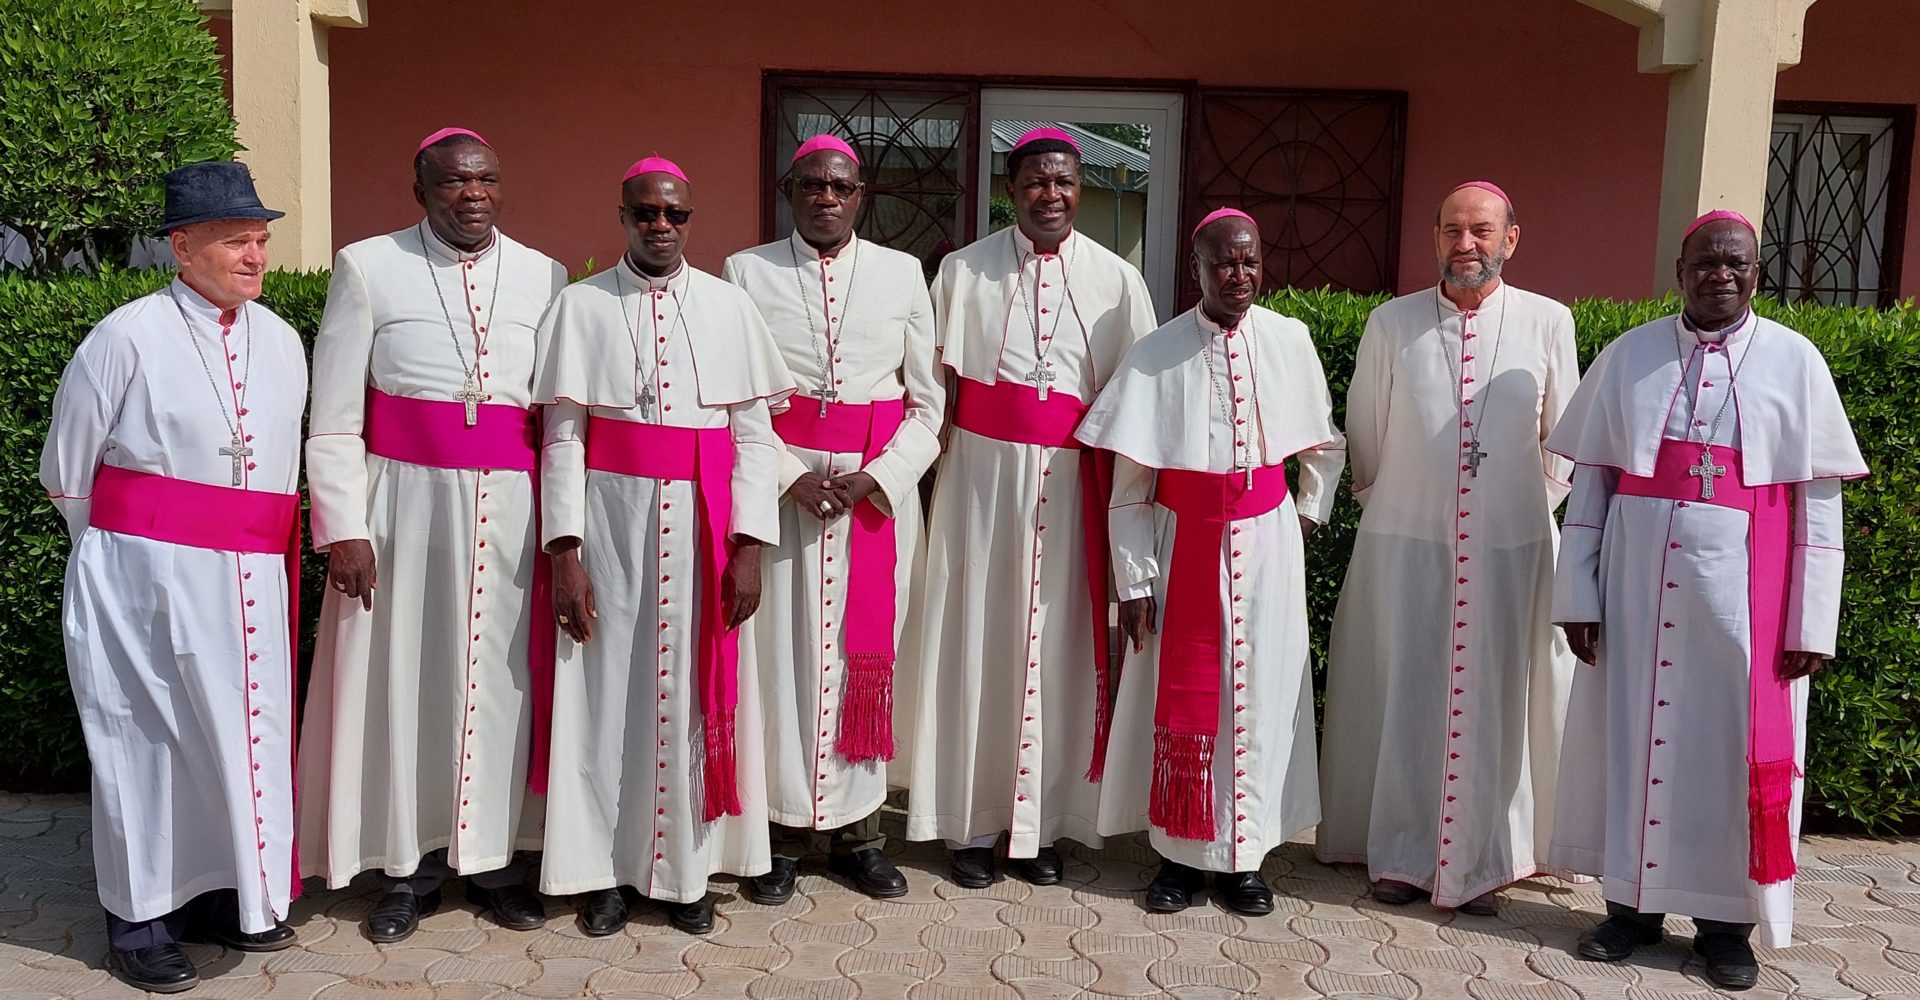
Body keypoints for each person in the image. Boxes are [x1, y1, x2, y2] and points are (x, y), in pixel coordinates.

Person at [1548, 210, 1867, 990]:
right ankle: (1630, 910)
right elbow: (1591, 487)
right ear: (1680, 270)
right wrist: (1577, 595)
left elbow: (1819, 511)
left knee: (1726, 756)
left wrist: (1809, 622)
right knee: (1632, 740)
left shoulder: (1796, 362)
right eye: (1705, 264)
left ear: (1757, 272)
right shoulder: (1629, 357)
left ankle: (1726, 928)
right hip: (1633, 590)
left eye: (1737, 264)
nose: (1721, 275)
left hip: (1743, 607)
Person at [40, 161, 307, 993]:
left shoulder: (283, 339)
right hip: (144, 581)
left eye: (261, 240)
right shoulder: (127, 335)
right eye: (237, 241)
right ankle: (140, 922)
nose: (255, 256)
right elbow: (67, 470)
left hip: (249, 580)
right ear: (181, 246)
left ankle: (226, 898)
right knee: (147, 745)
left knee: (237, 737)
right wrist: (134, 551)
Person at [297, 127, 567, 941]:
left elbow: (555, 416)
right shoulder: (367, 265)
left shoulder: (543, 273)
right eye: (453, 183)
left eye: (486, 180)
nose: (472, 195)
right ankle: (406, 867)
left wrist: (563, 531)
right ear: (421, 191)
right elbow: (335, 415)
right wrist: (343, 526)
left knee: (502, 682)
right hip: (402, 507)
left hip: (513, 510)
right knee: (405, 681)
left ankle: (495, 861)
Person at [533, 156, 794, 936]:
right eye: (645, 212)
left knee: (692, 700)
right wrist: (564, 551)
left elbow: (754, 439)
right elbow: (562, 437)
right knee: (607, 695)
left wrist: (749, 545)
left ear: (691, 219)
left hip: (706, 525)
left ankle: (688, 873)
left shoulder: (728, 307)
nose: (660, 226)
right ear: (622, 217)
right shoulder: (580, 308)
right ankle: (604, 875)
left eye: (674, 214)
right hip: (612, 524)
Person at [900, 126, 1157, 888]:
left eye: (1066, 183)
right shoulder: (960, 270)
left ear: (1081, 190)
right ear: (1011, 191)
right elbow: (931, 391)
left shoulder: (1118, 281)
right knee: (975, 638)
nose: (1052, 195)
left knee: (1057, 650)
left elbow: (1135, 400)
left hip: (1074, 482)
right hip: (980, 480)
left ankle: (1040, 827)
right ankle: (969, 824)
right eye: (1037, 183)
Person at [1316, 181, 1582, 915]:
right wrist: (1412, 507)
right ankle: (1402, 852)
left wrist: (1511, 515)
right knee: (1406, 691)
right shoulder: (1392, 322)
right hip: (1408, 544)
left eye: (1483, 230)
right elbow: (1364, 436)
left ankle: (1491, 854)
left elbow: (1564, 442)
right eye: (1453, 230)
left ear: (1511, 238)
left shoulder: (1548, 322)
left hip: (1512, 549)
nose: (1467, 244)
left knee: (1502, 697)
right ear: (1435, 236)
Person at [1080, 209, 1343, 915]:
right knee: (1182, 702)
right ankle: (1176, 855)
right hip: (1181, 541)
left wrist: (1304, 519)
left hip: (1266, 545)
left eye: (1251, 262)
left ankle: (1245, 859)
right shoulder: (1156, 354)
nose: (1239, 275)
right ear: (1195, 269)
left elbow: (1323, 446)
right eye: (1224, 263)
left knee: (1258, 696)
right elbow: (1130, 486)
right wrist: (1133, 580)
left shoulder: (1290, 340)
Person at [721, 135, 940, 903]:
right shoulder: (746, 272)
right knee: (781, 661)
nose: (826, 198)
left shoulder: (904, 273)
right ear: (790, 190)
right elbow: (738, 396)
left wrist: (875, 478)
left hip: (876, 501)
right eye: (811, 185)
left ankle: (859, 836)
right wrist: (790, 476)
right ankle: (778, 836)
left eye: (840, 187)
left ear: (861, 195)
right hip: (786, 494)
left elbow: (927, 404)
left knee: (866, 660)